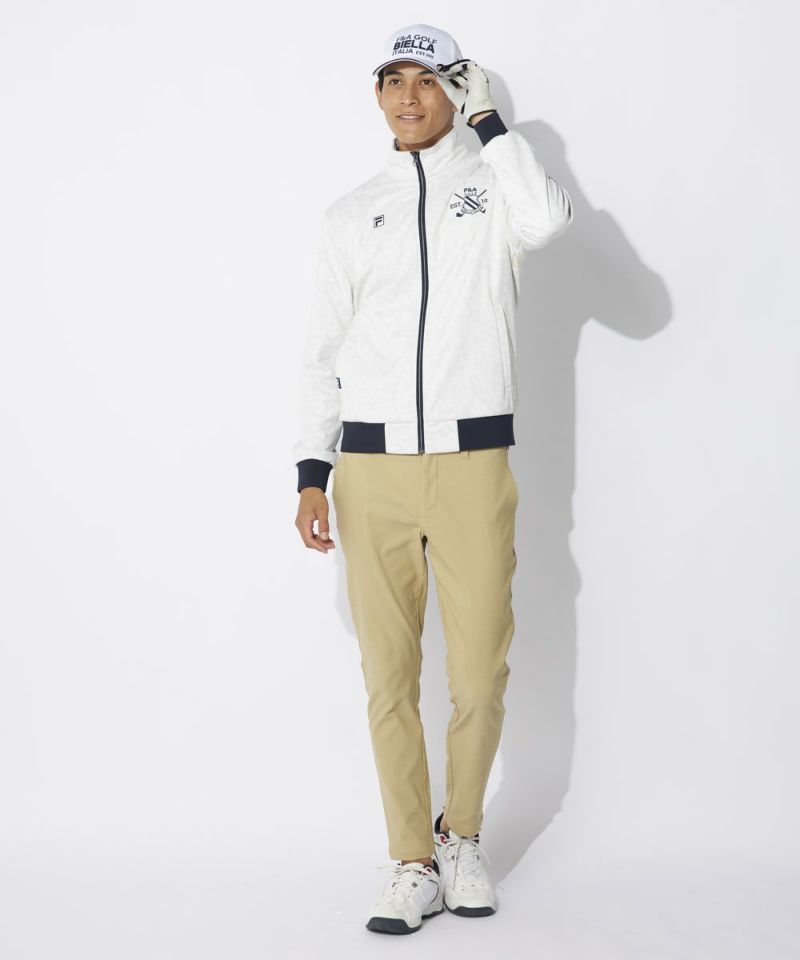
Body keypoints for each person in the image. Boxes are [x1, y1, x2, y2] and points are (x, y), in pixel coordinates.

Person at [293, 23, 573, 935]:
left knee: (480, 674)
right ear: (377, 96)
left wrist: (491, 124)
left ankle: (464, 838)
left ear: (455, 89)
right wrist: (312, 471)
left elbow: (549, 221)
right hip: (369, 472)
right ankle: (412, 859)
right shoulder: (350, 214)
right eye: (393, 81)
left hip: (471, 464)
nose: (409, 97)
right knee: (389, 678)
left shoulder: (493, 190)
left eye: (428, 80)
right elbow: (322, 354)